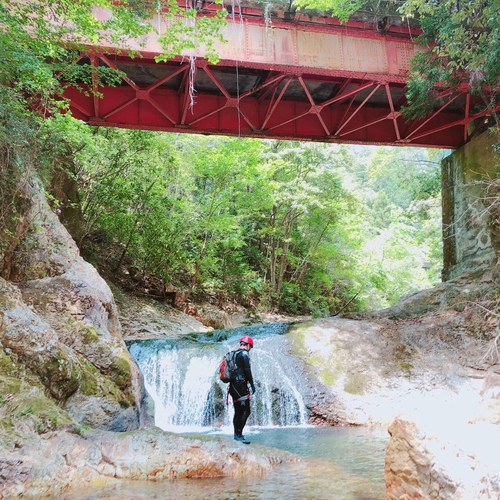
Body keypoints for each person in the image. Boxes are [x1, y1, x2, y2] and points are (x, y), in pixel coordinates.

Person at [229, 335, 255, 444]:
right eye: (250, 347)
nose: (250, 349)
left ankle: (237, 434)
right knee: (246, 410)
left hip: (233, 386)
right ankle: (239, 434)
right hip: (240, 386)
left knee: (238, 411)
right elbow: (247, 370)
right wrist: (252, 384)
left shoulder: (234, 354)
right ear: (248, 345)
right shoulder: (244, 354)